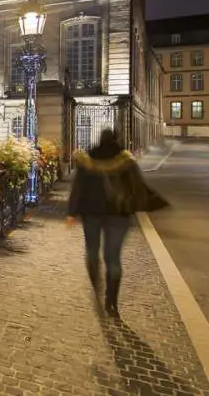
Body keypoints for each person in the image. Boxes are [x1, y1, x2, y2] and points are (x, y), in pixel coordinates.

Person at [66, 129, 167, 318]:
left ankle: (96, 284)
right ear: (116, 139)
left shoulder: (87, 158)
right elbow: (137, 185)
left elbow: (78, 186)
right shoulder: (126, 160)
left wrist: (72, 212)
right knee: (113, 259)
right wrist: (147, 202)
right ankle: (111, 302)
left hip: (91, 213)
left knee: (92, 252)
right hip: (118, 214)